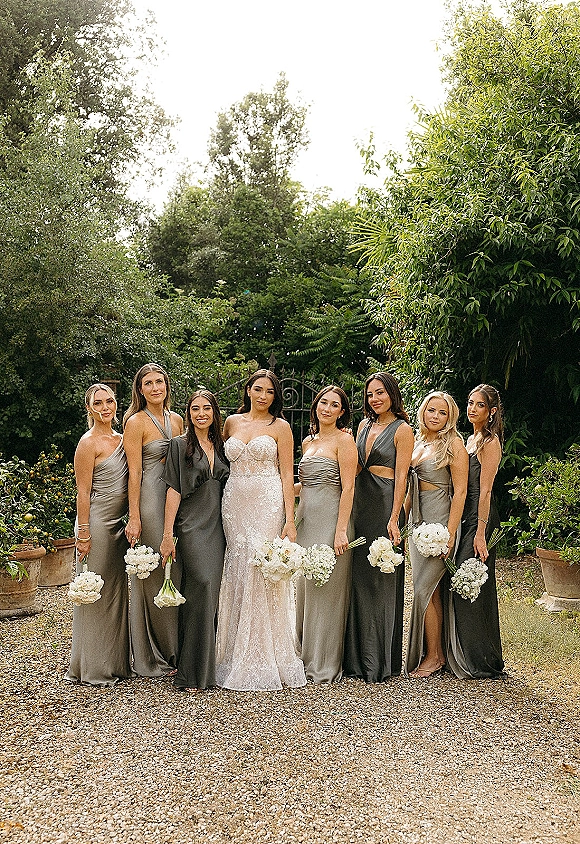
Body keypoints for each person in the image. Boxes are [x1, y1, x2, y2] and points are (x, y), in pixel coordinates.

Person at [215, 369, 306, 691]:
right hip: (235, 500)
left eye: (269, 391)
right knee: (238, 565)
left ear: (275, 396)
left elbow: (286, 475)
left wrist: (289, 519)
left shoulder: (281, 427)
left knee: (264, 567)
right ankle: (233, 651)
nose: (263, 395)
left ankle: (269, 654)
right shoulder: (231, 423)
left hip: (267, 501)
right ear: (248, 391)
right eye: (258, 389)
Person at [343, 372, 414, 682]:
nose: (375, 398)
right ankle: (356, 660)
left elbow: (402, 477)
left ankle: (379, 661)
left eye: (380, 393)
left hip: (385, 501)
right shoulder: (363, 425)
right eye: (370, 394)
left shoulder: (403, 430)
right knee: (359, 577)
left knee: (381, 578)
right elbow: (356, 465)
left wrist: (395, 516)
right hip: (361, 500)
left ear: (392, 395)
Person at [160, 391, 229, 691]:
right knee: (200, 585)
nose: (201, 413)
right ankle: (192, 672)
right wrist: (166, 535)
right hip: (192, 525)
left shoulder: (222, 446)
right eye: (195, 409)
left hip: (222, 526)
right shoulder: (179, 445)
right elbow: (173, 490)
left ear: (215, 412)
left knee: (212, 593)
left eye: (207, 408)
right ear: (188, 414)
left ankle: (205, 665)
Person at [65, 384, 132, 686]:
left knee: (116, 594)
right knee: (95, 593)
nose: (105, 407)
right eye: (98, 403)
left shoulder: (122, 439)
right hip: (96, 525)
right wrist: (83, 532)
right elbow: (82, 492)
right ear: (89, 408)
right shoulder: (87, 443)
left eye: (110, 401)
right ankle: (92, 667)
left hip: (120, 525)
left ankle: (116, 663)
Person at [123, 363, 184, 677]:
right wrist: (134, 516)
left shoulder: (176, 420)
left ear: (166, 385)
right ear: (140, 389)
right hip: (149, 500)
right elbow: (134, 472)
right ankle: (152, 655)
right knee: (154, 572)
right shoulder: (135, 422)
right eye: (148, 383)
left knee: (175, 569)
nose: (155, 387)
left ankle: (174, 649)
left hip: (175, 499)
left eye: (160, 381)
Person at [295, 386, 358, 683]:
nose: (327, 409)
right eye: (323, 402)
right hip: (306, 519)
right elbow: (303, 484)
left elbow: (348, 487)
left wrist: (341, 530)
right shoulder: (308, 441)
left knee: (327, 591)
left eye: (335, 405)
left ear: (342, 412)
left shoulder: (345, 441)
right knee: (305, 588)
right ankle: (302, 656)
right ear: (316, 406)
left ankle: (322, 663)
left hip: (332, 520)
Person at [405, 392, 468, 678]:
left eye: (442, 413)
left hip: (439, 521)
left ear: (450, 417)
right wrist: (400, 521)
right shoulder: (418, 442)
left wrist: (450, 533)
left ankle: (433, 657)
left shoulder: (453, 443)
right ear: (423, 412)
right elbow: (409, 487)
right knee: (428, 593)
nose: (435, 416)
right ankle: (436, 653)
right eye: (431, 410)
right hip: (417, 522)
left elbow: (461, 491)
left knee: (424, 590)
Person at [446, 384, 505, 679]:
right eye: (469, 403)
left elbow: (485, 491)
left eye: (479, 405)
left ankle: (481, 660)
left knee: (472, 583)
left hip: (480, 517)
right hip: (465, 513)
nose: (471, 409)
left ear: (491, 411)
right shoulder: (470, 439)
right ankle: (463, 654)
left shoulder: (490, 442)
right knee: (462, 581)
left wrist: (481, 533)